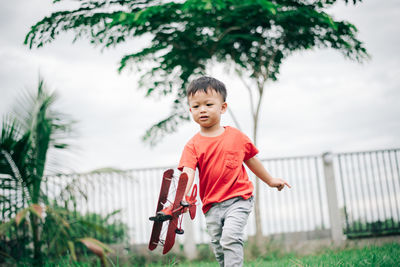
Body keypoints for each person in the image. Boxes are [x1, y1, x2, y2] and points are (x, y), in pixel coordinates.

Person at [178, 76, 291, 267]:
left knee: (230, 237)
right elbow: (188, 172)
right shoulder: (192, 145)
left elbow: (251, 160)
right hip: (211, 205)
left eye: (208, 104)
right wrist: (182, 195)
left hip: (238, 198)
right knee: (219, 245)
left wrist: (270, 180)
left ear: (222, 108)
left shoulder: (236, 137)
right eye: (196, 106)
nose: (202, 110)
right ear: (191, 110)